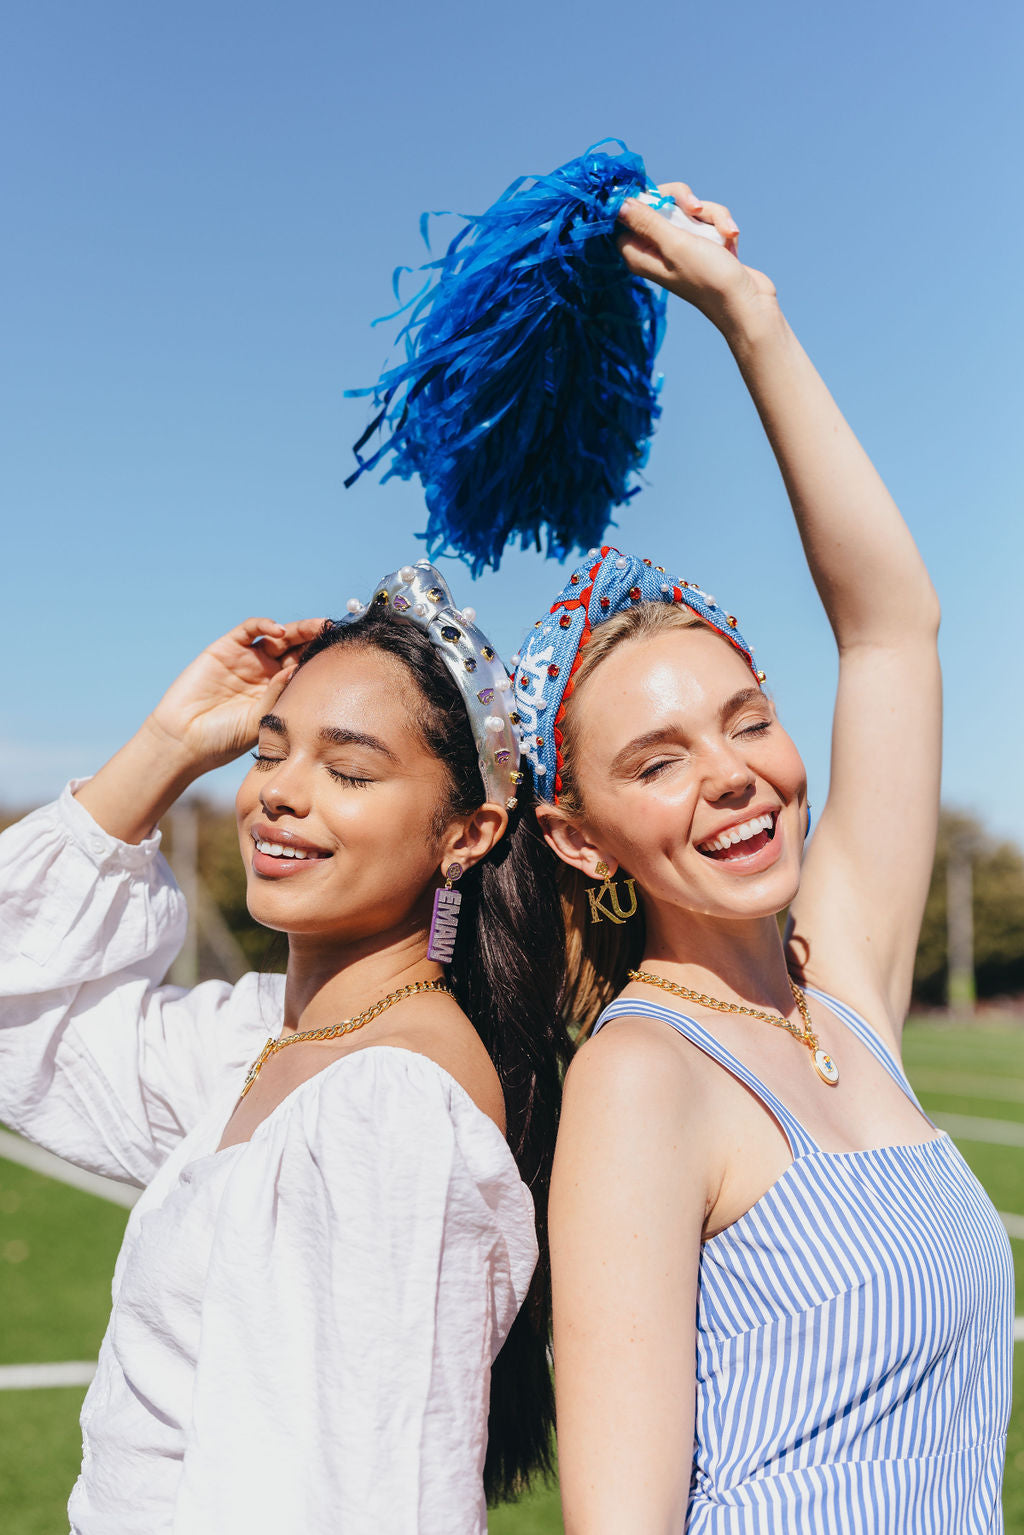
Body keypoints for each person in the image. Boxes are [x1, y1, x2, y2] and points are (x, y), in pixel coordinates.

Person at [511, 185, 1013, 1530]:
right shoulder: (640, 1077)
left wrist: (750, 315)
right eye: (657, 758)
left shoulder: (841, 974)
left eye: (748, 720)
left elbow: (894, 627)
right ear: (577, 833)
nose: (731, 770)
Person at [0, 561, 569, 1535]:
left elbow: (375, 1502)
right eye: (267, 754)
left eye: (347, 770)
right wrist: (173, 742)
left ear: (465, 834)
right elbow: (22, 1020)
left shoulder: (395, 1102)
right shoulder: (261, 1040)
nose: (280, 795)